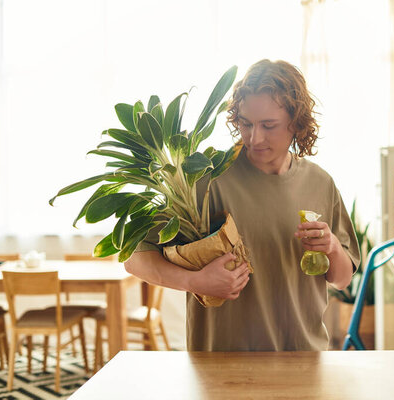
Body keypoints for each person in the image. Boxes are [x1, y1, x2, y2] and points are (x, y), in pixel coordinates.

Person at [125, 59, 360, 351]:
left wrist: (333, 247)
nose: (254, 137)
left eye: (269, 126)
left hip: (303, 360)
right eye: (245, 123)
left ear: (296, 123)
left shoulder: (320, 183)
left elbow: (341, 279)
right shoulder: (204, 178)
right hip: (220, 366)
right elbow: (136, 260)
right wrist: (195, 281)